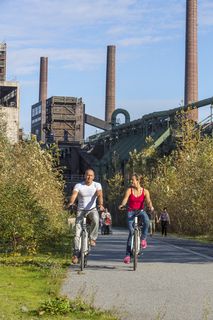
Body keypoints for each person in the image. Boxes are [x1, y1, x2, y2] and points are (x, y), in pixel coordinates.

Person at [67, 169, 104, 264]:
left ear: (94, 177)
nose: (89, 177)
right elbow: (74, 195)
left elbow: (99, 195)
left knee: (96, 219)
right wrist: (71, 203)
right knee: (77, 233)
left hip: (92, 210)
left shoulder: (97, 185)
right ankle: (75, 254)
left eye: (91, 175)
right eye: (87, 175)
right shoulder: (79, 185)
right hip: (80, 211)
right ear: (84, 176)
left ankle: (92, 238)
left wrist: (100, 204)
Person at [118, 173, 154, 264]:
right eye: (131, 180)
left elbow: (148, 201)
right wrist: (122, 205)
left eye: (132, 180)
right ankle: (127, 255)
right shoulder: (129, 190)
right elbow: (125, 199)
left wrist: (151, 207)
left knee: (146, 221)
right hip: (131, 211)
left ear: (138, 181)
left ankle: (143, 239)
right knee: (131, 231)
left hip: (140, 211)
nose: (131, 182)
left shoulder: (145, 191)